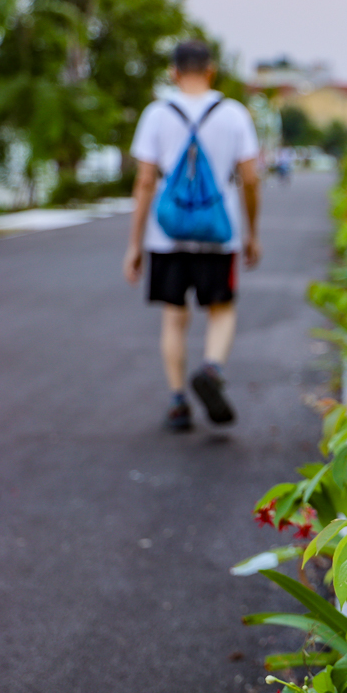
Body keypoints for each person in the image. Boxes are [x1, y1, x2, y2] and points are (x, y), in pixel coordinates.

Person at [123, 40, 261, 432]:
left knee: (174, 315)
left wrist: (135, 245)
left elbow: (145, 182)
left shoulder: (156, 114)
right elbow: (250, 179)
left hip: (166, 234)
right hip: (219, 231)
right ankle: (212, 368)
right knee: (221, 309)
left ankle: (178, 401)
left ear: (174, 72)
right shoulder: (234, 114)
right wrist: (252, 232)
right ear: (211, 70)